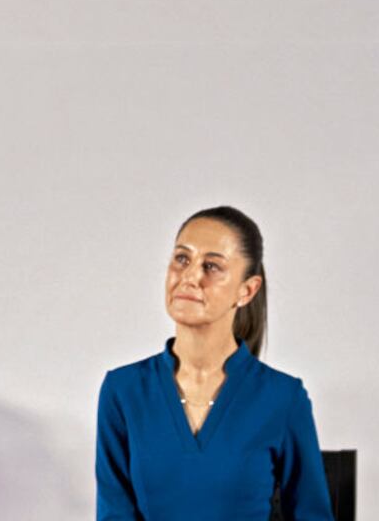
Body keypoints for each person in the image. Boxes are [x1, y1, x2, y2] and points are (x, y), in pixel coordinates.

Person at [95, 207, 332, 520]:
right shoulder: (124, 391)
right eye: (182, 259)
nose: (190, 277)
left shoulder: (283, 398)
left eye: (212, 266)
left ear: (247, 290)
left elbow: (312, 515)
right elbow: (114, 513)